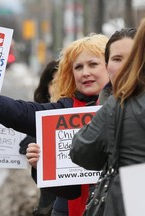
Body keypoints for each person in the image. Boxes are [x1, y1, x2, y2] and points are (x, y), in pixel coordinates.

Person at [0, 33, 109, 216]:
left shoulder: (130, 107)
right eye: (78, 67)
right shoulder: (65, 109)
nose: (85, 72)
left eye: (93, 64)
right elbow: (19, 112)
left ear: (110, 66)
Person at [70, 18, 145, 216]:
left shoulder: (118, 103)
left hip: (134, 193)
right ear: (107, 64)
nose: (126, 66)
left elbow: (81, 151)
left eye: (132, 59)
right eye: (117, 59)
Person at [19, 60, 59, 216]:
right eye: (54, 82)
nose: (59, 86)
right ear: (46, 88)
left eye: (65, 79)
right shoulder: (32, 122)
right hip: (49, 209)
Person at [98, 27, 136, 104]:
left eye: (133, 59)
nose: (124, 66)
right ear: (106, 67)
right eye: (117, 59)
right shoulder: (91, 112)